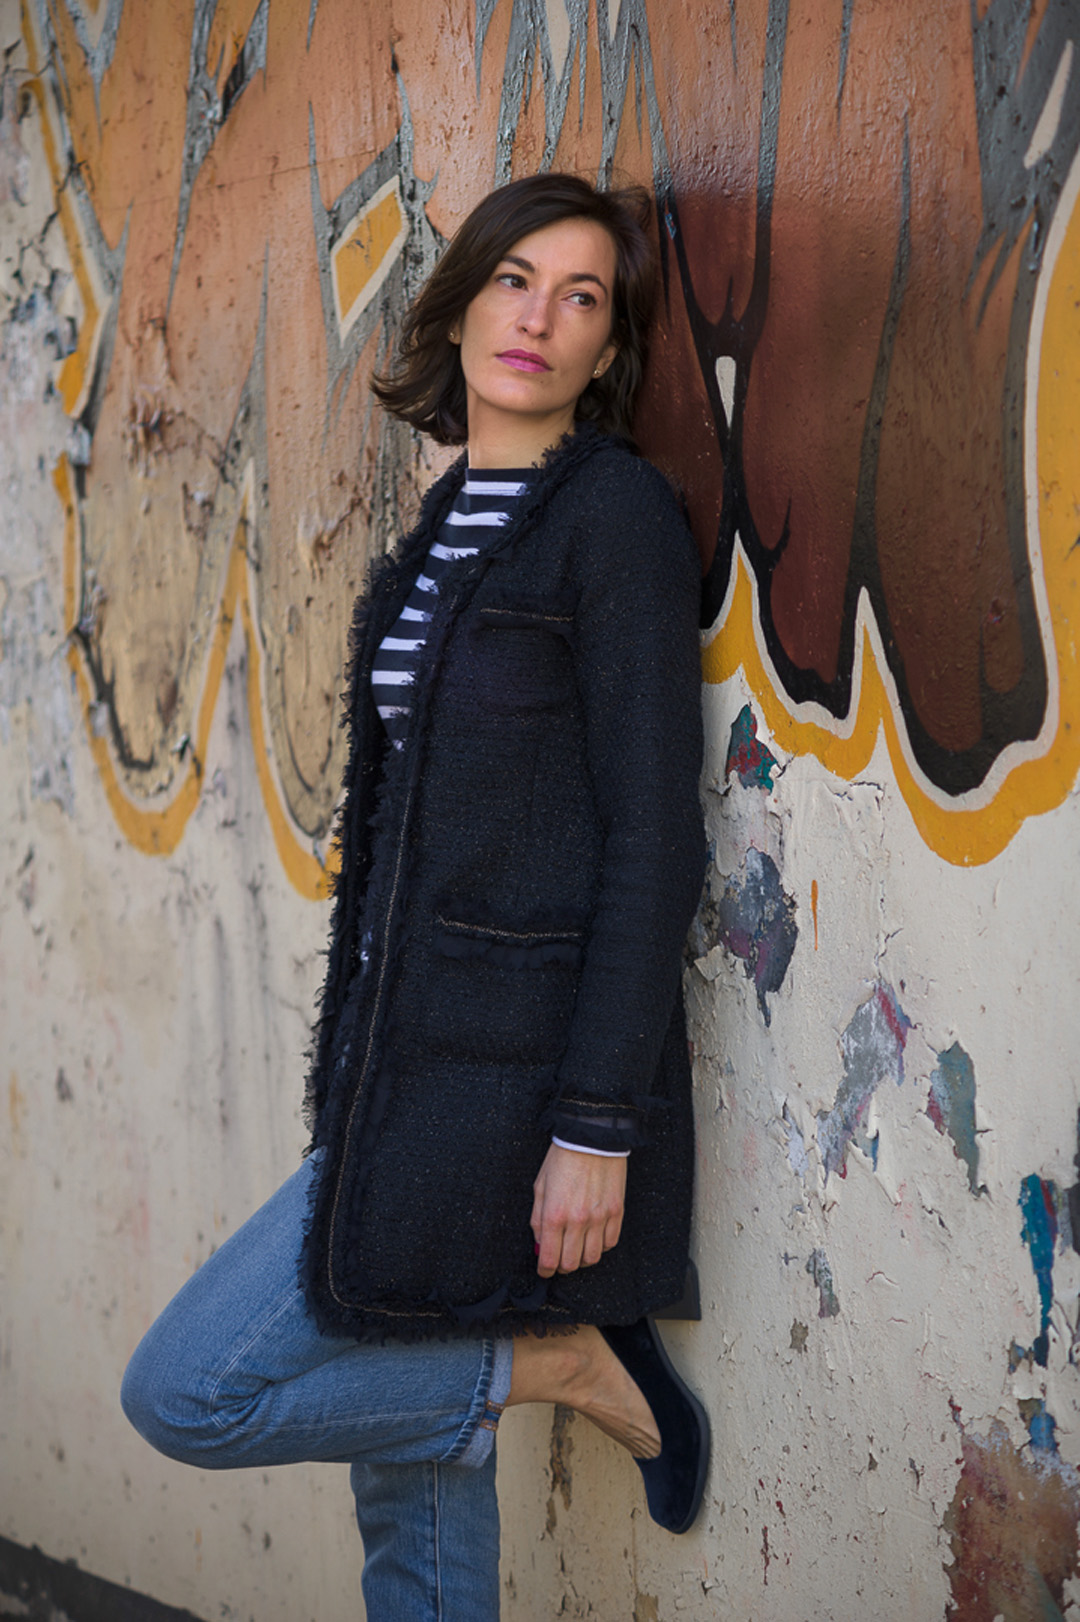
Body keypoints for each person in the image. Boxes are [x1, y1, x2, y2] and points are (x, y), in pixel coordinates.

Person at [121, 172, 708, 1620]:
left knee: (187, 1389)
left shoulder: (611, 516)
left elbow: (654, 836)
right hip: (401, 1059)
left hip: (512, 1082)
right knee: (412, 1504)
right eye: (515, 280)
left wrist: (596, 1124)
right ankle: (510, 1377)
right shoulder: (451, 514)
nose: (541, 318)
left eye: (583, 298)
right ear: (457, 309)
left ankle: (560, 1364)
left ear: (605, 347)